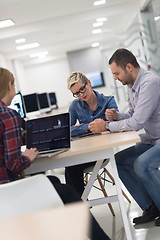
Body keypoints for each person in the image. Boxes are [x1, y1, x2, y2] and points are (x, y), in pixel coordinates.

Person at [0, 67, 110, 240]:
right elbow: (14, 164)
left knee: (52, 180)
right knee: (67, 193)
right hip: (9, 193)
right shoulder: (8, 115)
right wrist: (27, 157)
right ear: (9, 85)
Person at [90, 48, 160, 226]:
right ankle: (151, 207)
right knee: (119, 160)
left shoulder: (149, 83)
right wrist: (117, 116)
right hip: (153, 139)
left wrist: (106, 126)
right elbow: (132, 115)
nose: (115, 78)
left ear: (129, 67)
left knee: (142, 164)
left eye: (116, 73)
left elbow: (137, 122)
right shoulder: (132, 85)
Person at [65, 71, 118, 196]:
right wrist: (88, 127)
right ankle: (80, 203)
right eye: (76, 93)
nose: (81, 95)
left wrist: (106, 125)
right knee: (70, 166)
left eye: (82, 89)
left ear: (89, 83)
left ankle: (79, 204)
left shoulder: (108, 101)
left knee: (71, 167)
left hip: (103, 152)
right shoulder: (75, 105)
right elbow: (67, 130)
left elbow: (117, 124)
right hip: (85, 151)